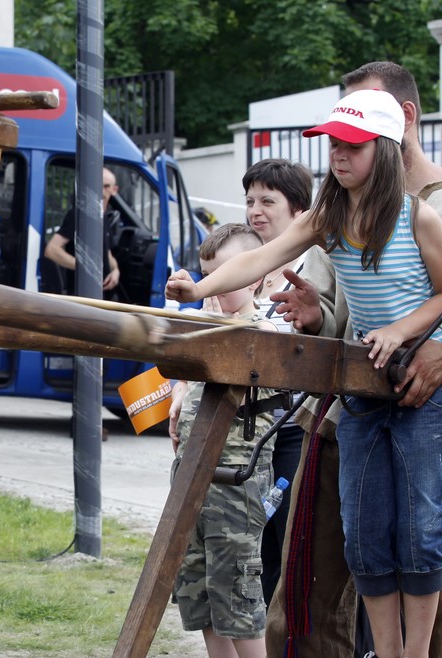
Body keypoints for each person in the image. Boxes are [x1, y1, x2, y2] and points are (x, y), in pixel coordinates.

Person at [166, 88, 442, 658]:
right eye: (332, 145)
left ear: (386, 150)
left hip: (421, 389)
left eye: (353, 145)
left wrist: (403, 331)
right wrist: (200, 288)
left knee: (419, 533)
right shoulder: (328, 216)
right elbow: (256, 258)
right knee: (365, 537)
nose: (338, 156)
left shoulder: (422, 218)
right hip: (363, 391)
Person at [265, 61, 442, 658]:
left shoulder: (432, 207)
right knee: (316, 592)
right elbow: (342, 312)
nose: (340, 146)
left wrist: (440, 349)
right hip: (355, 407)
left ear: (400, 120)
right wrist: (316, 315)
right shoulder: (337, 211)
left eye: (355, 129)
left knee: (422, 545)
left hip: (431, 413)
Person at [168, 223, 278, 658]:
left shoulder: (266, 332)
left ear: (253, 276)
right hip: (192, 476)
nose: (211, 288)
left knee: (237, 594)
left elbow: (247, 356)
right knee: (200, 591)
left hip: (236, 484)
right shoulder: (206, 325)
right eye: (205, 276)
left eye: (222, 277)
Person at [241, 159, 316, 608]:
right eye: (250, 200)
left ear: (300, 210)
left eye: (268, 201)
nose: (255, 211)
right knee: (255, 550)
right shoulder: (244, 263)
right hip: (244, 429)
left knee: (290, 547)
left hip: (293, 428)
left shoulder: (313, 264)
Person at [43, 167, 121, 298]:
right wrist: (85, 268)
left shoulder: (105, 218)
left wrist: (116, 271)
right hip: (82, 296)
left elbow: (107, 254)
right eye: (97, 185)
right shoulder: (78, 215)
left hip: (104, 296)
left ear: (114, 190)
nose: (101, 190)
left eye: (106, 186)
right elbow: (51, 250)